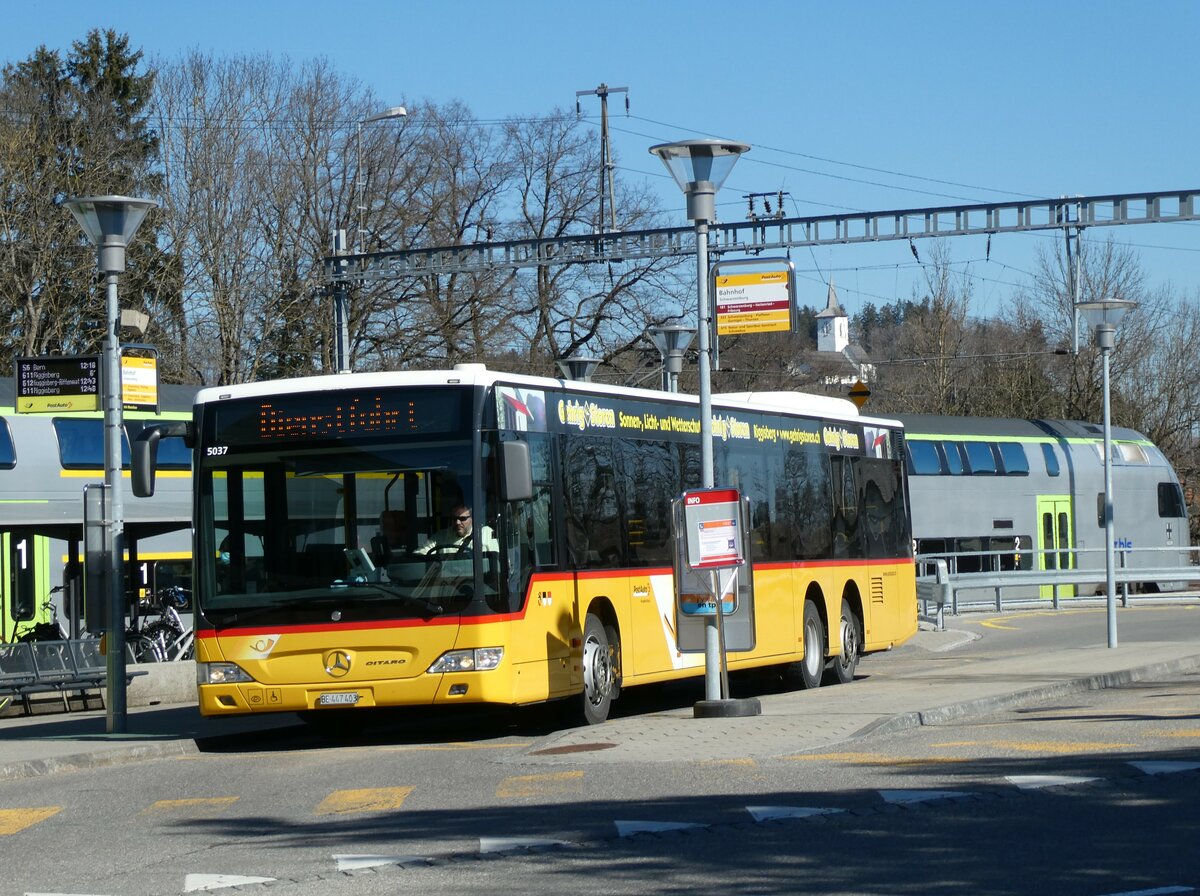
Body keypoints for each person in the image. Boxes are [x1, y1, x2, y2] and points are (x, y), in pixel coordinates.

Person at [415, 504, 497, 556]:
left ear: (472, 518)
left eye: (462, 518)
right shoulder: (442, 536)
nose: (457, 522)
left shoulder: (486, 533)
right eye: (454, 519)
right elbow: (419, 554)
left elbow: (497, 559)